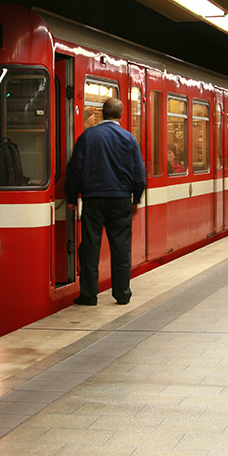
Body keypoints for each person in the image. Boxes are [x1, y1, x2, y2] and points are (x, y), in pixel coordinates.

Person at [66, 98, 146, 305]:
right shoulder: (128, 138)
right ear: (121, 115)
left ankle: (89, 295)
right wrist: (136, 198)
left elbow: (75, 168)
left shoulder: (88, 136)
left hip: (93, 199)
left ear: (102, 113)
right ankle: (122, 295)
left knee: (90, 247)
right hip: (120, 200)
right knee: (121, 247)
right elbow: (139, 173)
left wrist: (72, 197)